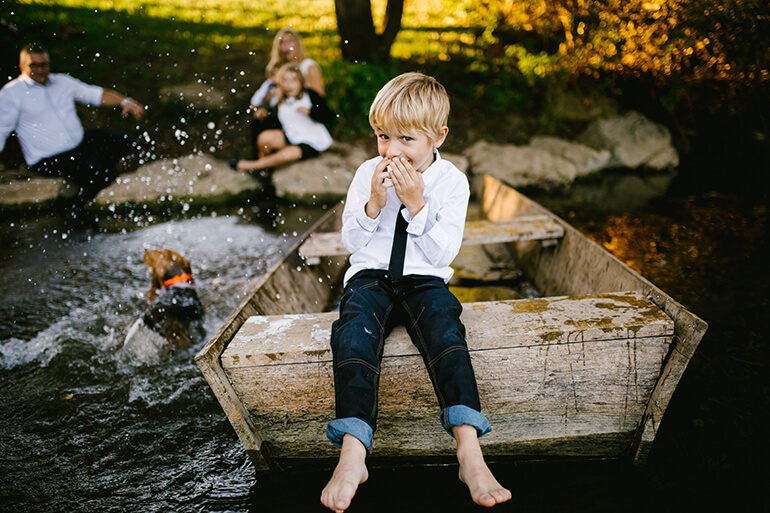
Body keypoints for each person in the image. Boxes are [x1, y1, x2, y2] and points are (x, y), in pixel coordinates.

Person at [320, 72, 512, 512]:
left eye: (406, 138)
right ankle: (353, 451)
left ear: (437, 136)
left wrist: (416, 203)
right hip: (370, 277)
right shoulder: (368, 171)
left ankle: (469, 449)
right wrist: (373, 203)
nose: (391, 150)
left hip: (426, 279)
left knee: (446, 333)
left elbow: (444, 250)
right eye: (383, 136)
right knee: (352, 334)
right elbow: (351, 242)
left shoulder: (452, 182)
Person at [0, 43, 146, 200]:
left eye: (44, 65)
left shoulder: (62, 82)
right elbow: (1, 130)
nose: (40, 70)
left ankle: (96, 181)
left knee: (121, 141)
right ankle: (82, 204)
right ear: (22, 66)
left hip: (79, 145)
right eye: (33, 65)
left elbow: (95, 94)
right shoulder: (11, 94)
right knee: (95, 169)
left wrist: (125, 102)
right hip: (47, 158)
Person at [232, 63, 334, 174]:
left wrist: (310, 112)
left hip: (311, 142)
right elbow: (273, 122)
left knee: (289, 154)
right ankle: (266, 167)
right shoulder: (280, 101)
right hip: (290, 138)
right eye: (285, 80)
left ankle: (253, 166)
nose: (289, 85)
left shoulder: (310, 95)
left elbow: (329, 117)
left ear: (301, 82)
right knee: (264, 139)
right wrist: (263, 113)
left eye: (293, 80)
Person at [246, 27, 326, 157]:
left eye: (290, 42)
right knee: (260, 120)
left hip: (303, 116)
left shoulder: (308, 66)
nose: (285, 46)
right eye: (282, 42)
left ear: (297, 44)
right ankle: (260, 160)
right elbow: (266, 97)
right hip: (282, 113)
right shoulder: (278, 69)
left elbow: (319, 100)